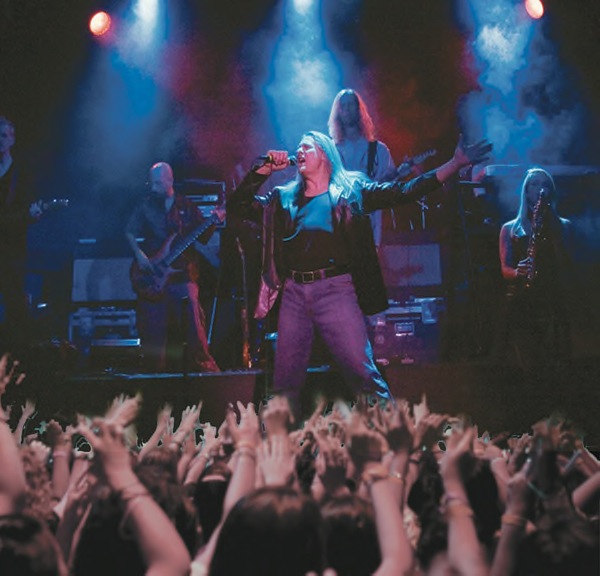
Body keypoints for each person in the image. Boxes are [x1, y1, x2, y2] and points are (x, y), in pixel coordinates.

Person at [228, 130, 491, 416]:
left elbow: (403, 192)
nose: (299, 151)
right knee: (285, 381)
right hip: (293, 294)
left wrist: (454, 163)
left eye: (307, 147)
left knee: (362, 373)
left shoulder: (352, 191)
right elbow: (237, 206)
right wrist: (262, 171)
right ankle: (281, 439)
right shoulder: (283, 199)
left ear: (325, 154)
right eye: (298, 148)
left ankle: (392, 430)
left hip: (335, 291)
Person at [125, 161, 221, 373]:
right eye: (152, 183)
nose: (154, 187)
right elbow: (129, 231)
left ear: (170, 181)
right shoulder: (146, 205)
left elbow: (203, 236)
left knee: (194, 322)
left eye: (158, 183)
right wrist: (140, 256)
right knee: (153, 333)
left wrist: (214, 220)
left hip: (182, 273)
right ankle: (154, 376)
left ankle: (204, 367)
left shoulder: (186, 206)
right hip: (153, 275)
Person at [497, 167, 573, 366]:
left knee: (557, 361)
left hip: (552, 299)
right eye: (535, 184)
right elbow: (505, 269)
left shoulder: (563, 226)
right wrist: (518, 272)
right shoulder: (510, 228)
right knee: (528, 362)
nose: (541, 189)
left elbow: (567, 265)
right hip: (522, 301)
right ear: (526, 190)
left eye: (546, 185)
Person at [327, 89, 396, 247]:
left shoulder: (378, 150)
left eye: (351, 104)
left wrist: (402, 173)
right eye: (343, 106)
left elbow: (389, 187)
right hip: (337, 232)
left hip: (369, 230)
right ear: (338, 111)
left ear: (360, 109)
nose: (347, 109)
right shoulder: (329, 151)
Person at [0, 116, 42, 354]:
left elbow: (29, 205)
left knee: (14, 298)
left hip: (13, 246)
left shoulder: (20, 171)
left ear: (12, 139)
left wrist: (34, 214)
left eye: (4, 135)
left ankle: (19, 355)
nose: (0, 141)